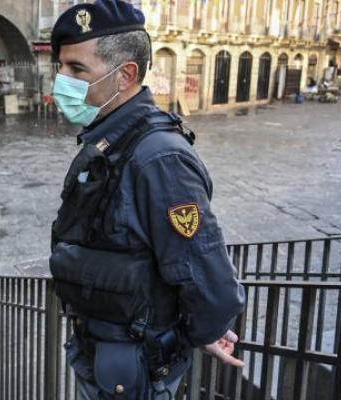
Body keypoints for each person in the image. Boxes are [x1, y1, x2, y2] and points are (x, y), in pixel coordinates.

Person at [47, 1, 246, 399]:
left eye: (77, 69)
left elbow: (205, 272)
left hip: (135, 368)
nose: (61, 79)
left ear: (126, 75)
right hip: (103, 350)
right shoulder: (110, 136)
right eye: (61, 67)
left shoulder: (158, 156)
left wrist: (204, 329)